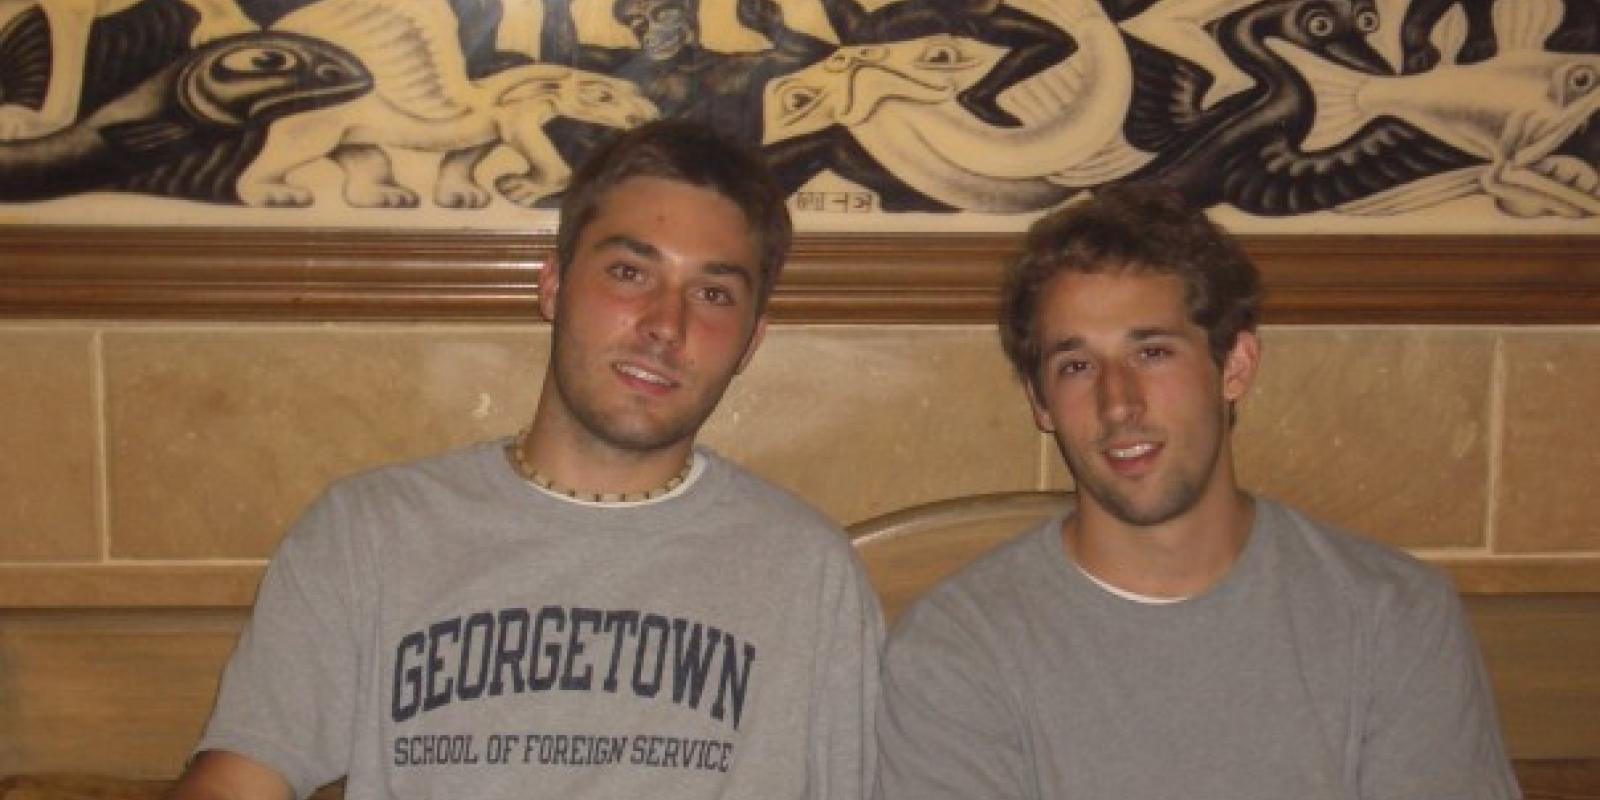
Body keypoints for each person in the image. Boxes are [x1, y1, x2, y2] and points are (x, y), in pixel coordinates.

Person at [170, 119, 881, 800]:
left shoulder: (806, 574)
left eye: (712, 293)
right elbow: (236, 782)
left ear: (751, 342)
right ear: (553, 285)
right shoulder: (370, 534)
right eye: (630, 272)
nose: (667, 325)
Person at [876, 184, 1518, 799]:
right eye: (1075, 366)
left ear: (1234, 367)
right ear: (1041, 403)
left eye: (1152, 352)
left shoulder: (1393, 619)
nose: (1117, 402)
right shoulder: (958, 649)